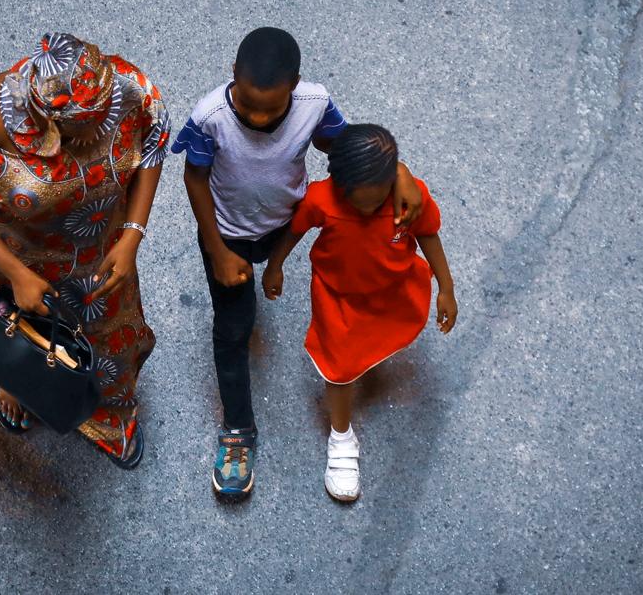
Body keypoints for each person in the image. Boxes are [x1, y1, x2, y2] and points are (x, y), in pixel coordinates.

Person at [171, 27, 425, 496]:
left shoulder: (314, 103)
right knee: (233, 330)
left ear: (296, 84)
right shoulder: (210, 116)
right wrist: (217, 249)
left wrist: (399, 171)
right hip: (228, 233)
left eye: (272, 107)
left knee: (257, 299)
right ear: (232, 76)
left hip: (286, 224)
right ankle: (237, 432)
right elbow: (195, 178)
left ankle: (259, 271)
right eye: (248, 106)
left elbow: (347, 148)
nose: (260, 117)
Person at [0, 33, 169, 468]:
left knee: (110, 341)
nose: (104, 127)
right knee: (23, 339)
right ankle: (20, 385)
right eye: (90, 125)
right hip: (16, 260)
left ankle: (107, 414)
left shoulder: (124, 87)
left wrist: (133, 233)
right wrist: (16, 274)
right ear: (47, 119)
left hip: (100, 252)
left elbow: (155, 137)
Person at [262, 123, 457, 501]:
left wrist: (446, 288)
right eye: (359, 202)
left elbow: (429, 236)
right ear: (337, 184)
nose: (368, 209)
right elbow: (295, 231)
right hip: (340, 301)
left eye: (376, 198)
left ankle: (363, 365)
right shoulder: (321, 200)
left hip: (391, 294)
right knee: (339, 371)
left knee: (371, 350)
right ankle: (341, 437)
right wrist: (275, 264)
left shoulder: (408, 199)